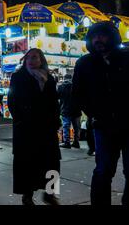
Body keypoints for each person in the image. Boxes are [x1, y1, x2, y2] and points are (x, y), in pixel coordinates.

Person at [72, 21, 129, 206]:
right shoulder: (84, 63)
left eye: (102, 35)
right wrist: (95, 112)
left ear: (112, 36)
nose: (98, 39)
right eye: (94, 36)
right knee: (103, 170)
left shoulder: (126, 57)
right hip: (103, 126)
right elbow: (78, 94)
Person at [8, 48, 61, 206]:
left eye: (35, 57)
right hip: (26, 128)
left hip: (47, 128)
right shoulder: (18, 77)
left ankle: (50, 193)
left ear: (41, 60)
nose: (31, 60)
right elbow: (12, 101)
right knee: (26, 163)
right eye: (28, 58)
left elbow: (54, 102)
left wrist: (55, 121)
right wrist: (20, 120)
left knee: (52, 161)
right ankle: (27, 195)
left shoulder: (49, 79)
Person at [57, 74, 82, 149]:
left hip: (66, 109)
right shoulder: (77, 86)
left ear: (64, 78)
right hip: (76, 110)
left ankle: (67, 142)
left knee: (66, 126)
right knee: (77, 127)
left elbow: (58, 97)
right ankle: (76, 142)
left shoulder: (61, 87)